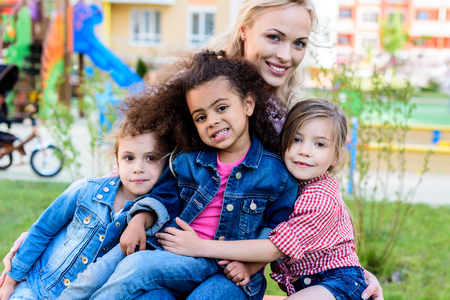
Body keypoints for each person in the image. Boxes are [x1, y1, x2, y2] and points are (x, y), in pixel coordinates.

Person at [2, 0, 384, 297]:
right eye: (274, 37)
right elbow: (137, 162)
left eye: (298, 43)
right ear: (245, 31)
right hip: (154, 242)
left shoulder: (286, 119)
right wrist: (61, 232)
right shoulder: (200, 87)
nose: (286, 54)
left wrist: (348, 274)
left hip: (229, 266)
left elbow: (310, 205)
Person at [54, 50, 298, 300]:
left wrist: (251, 266)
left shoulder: (276, 173)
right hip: (176, 257)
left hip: (232, 271)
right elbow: (164, 197)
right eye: (201, 117)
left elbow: (277, 233)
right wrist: (139, 220)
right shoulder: (188, 162)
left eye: (221, 108)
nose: (212, 121)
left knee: (145, 270)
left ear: (248, 104)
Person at [157, 98, 368, 300]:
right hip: (314, 284)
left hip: (338, 282)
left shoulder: (320, 198)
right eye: (297, 139)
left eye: (319, 144)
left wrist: (200, 246)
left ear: (336, 157)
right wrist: (249, 267)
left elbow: (272, 248)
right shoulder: (289, 182)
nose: (304, 151)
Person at [0, 109, 174, 300]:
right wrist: (10, 281)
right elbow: (42, 231)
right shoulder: (86, 190)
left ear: (165, 163)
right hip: (36, 288)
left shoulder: (153, 215)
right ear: (117, 160)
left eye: (151, 158)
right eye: (129, 158)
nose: (138, 168)